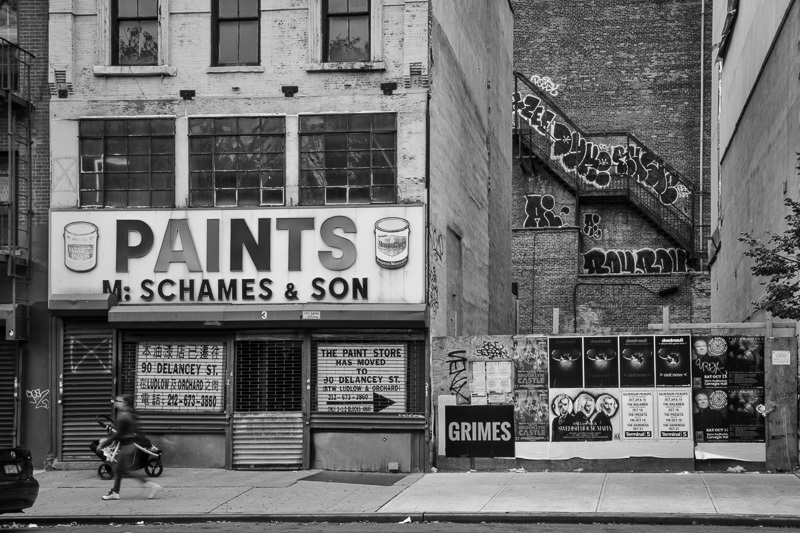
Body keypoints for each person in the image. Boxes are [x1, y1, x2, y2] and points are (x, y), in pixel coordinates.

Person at [101, 395, 162, 501]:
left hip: (126, 446)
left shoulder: (124, 415)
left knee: (123, 470)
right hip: (127, 445)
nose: (115, 402)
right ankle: (115, 492)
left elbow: (118, 434)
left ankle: (151, 485)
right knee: (120, 470)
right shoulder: (128, 413)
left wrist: (104, 444)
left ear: (124, 403)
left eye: (118, 401)